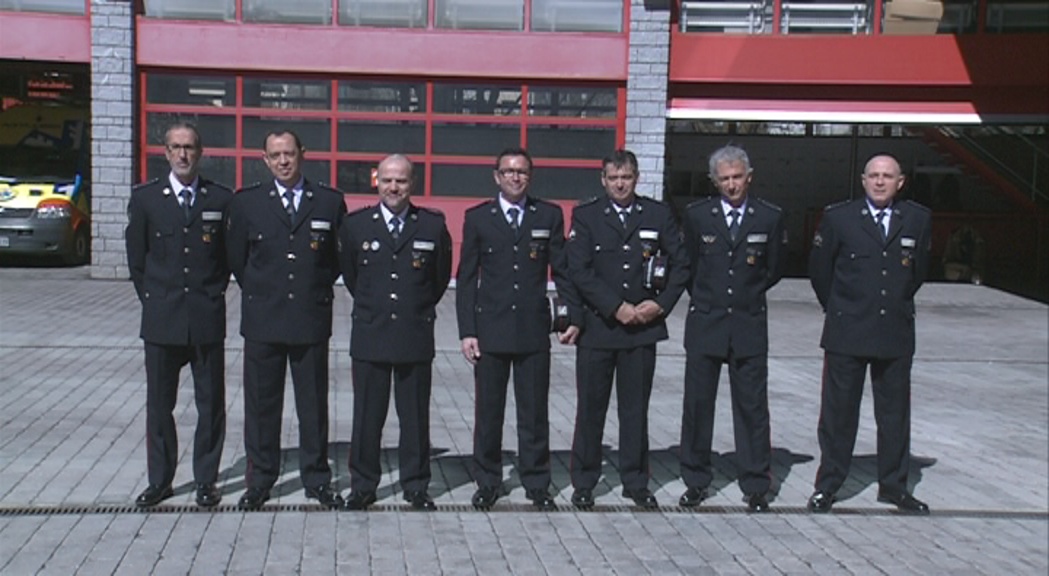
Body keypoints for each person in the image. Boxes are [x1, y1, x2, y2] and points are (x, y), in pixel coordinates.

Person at [226, 130, 346, 510]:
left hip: (309, 318)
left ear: (303, 154)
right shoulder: (247, 204)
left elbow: (335, 260)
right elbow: (237, 260)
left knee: (313, 404)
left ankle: (316, 478)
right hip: (264, 319)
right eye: (275, 155)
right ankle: (261, 479)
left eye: (289, 154)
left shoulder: (328, 202)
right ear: (264, 159)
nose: (283, 161)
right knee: (262, 405)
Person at [807, 154, 933, 515]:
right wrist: (840, 309)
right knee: (838, 415)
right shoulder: (839, 218)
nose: (880, 182)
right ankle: (828, 484)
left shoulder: (917, 219)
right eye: (874, 176)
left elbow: (918, 273)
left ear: (900, 182)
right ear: (863, 180)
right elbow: (820, 272)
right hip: (848, 330)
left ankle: (894, 487)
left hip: (894, 332)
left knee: (894, 415)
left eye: (887, 176)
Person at [456, 148, 580, 511]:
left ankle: (537, 481)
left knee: (533, 412)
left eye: (522, 172)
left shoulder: (548, 215)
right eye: (508, 171)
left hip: (531, 330)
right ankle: (488, 480)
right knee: (488, 413)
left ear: (530, 176)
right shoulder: (478, 217)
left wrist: (570, 318)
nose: (515, 177)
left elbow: (563, 271)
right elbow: (466, 280)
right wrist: (467, 331)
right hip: (490, 330)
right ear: (496, 176)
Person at [566, 149, 689, 509]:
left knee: (635, 411)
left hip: (642, 329)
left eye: (627, 177)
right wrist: (614, 307)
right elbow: (580, 270)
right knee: (591, 409)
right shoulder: (587, 216)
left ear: (637, 178)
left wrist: (661, 305)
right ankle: (584, 481)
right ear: (603, 180)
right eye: (614, 177)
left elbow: (681, 265)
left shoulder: (657, 214)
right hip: (599, 328)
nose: (621, 183)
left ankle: (636, 482)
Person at [126, 122, 233, 508]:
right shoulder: (146, 200)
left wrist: (209, 294)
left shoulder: (219, 200)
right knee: (159, 406)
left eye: (189, 147)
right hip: (162, 320)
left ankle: (206, 479)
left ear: (200, 152)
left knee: (211, 405)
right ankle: (161, 480)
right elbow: (137, 261)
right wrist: (155, 301)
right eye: (176, 147)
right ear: (165, 153)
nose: (183, 154)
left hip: (205, 317)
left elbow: (227, 258)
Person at [338, 154, 452, 511]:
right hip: (371, 334)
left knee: (414, 417)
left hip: (413, 335)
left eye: (401, 181)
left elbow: (437, 280)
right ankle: (363, 486)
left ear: (412, 184)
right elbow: (353, 278)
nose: (393, 187)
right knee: (367, 418)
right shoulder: (356, 226)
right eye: (387, 180)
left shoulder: (432, 226)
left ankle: (416, 485)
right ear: (377, 181)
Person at [678, 145, 786, 513]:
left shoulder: (769, 217)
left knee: (753, 409)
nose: (731, 185)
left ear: (749, 176)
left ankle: (756, 484)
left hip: (748, 325)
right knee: (697, 406)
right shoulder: (697, 216)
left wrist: (741, 297)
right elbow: (689, 266)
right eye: (724, 179)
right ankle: (695, 480)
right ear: (714, 181)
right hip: (706, 323)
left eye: (737, 177)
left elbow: (772, 270)